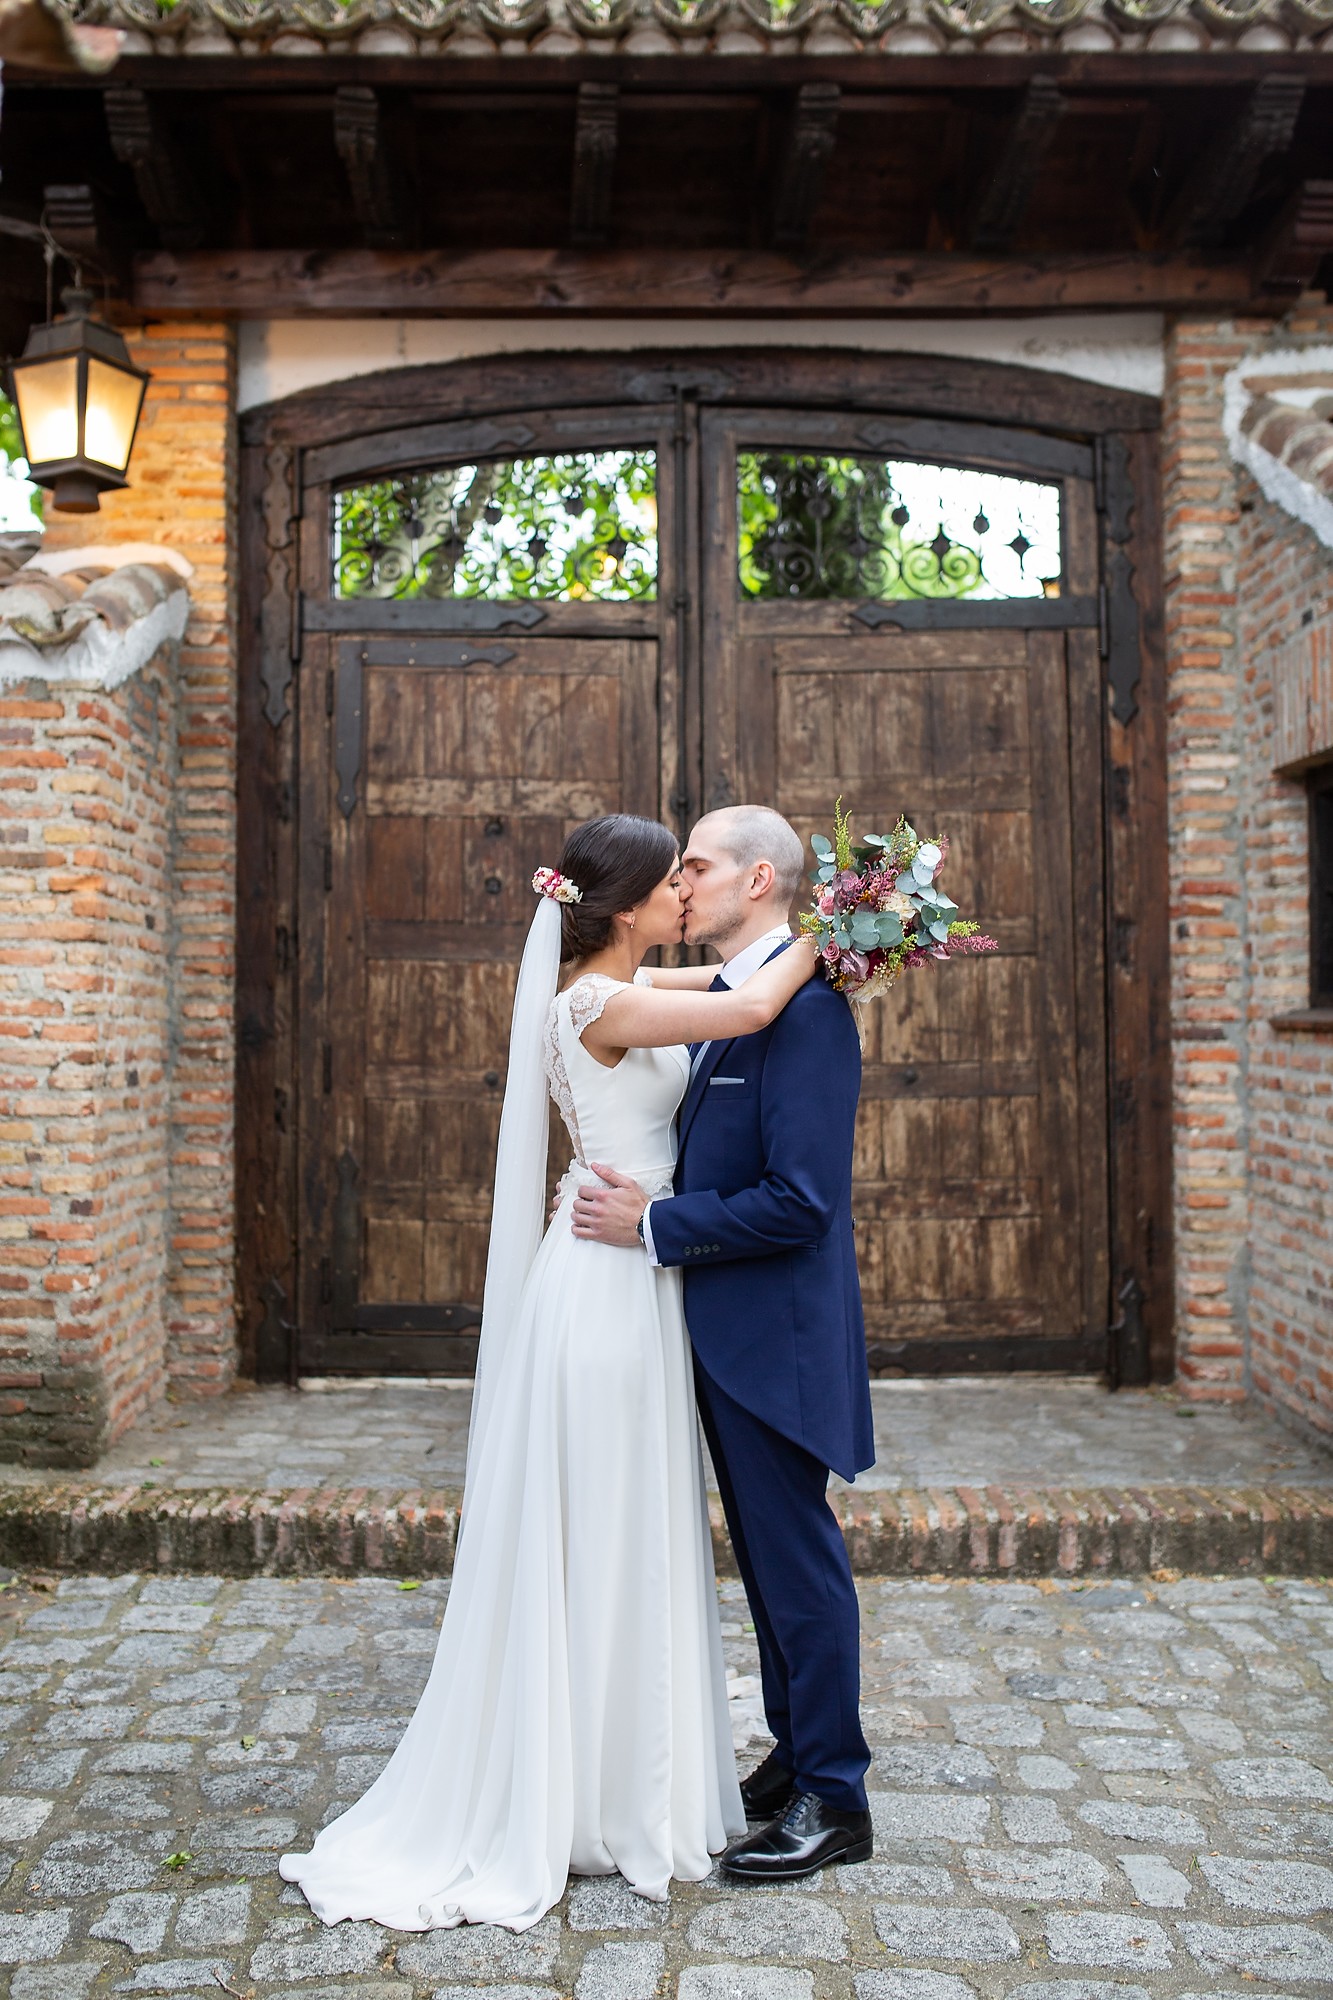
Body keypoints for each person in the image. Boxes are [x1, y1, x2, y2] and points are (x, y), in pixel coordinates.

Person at [279, 812, 817, 1933]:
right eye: (671, 877)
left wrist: (808, 928)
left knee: (629, 1523)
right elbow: (758, 998)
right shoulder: (599, 1002)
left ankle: (621, 1771)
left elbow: (738, 967)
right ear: (625, 906)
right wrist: (858, 922)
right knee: (604, 1521)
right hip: (606, 1289)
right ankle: (584, 1794)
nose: (685, 891)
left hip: (636, 1263)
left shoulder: (637, 980)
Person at [571, 805, 876, 1882]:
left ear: (757, 878)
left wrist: (655, 1226)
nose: (681, 879)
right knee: (764, 1563)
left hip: (776, 1337)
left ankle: (836, 1795)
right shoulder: (740, 997)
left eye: (695, 862)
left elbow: (799, 1200)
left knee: (798, 1565)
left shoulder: (806, 1013)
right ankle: (795, 1757)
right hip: (721, 1332)